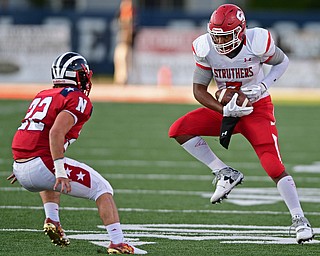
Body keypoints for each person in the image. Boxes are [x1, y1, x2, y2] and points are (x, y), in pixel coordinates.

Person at [168, 4, 314, 244]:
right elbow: (199, 90)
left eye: (226, 36)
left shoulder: (257, 41)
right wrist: (224, 108)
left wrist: (263, 86)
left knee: (273, 166)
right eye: (216, 36)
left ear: (240, 31)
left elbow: (282, 61)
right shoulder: (206, 48)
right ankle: (224, 171)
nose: (220, 41)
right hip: (228, 108)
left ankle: (299, 219)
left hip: (257, 108)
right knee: (180, 129)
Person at [7, 52, 147, 254]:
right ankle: (118, 242)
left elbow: (29, 130)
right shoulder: (77, 98)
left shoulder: (43, 95)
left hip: (21, 164)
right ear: (77, 76)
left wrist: (21, 161)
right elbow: (56, 132)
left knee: (50, 175)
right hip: (40, 163)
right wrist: (60, 170)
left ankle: (52, 219)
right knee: (102, 189)